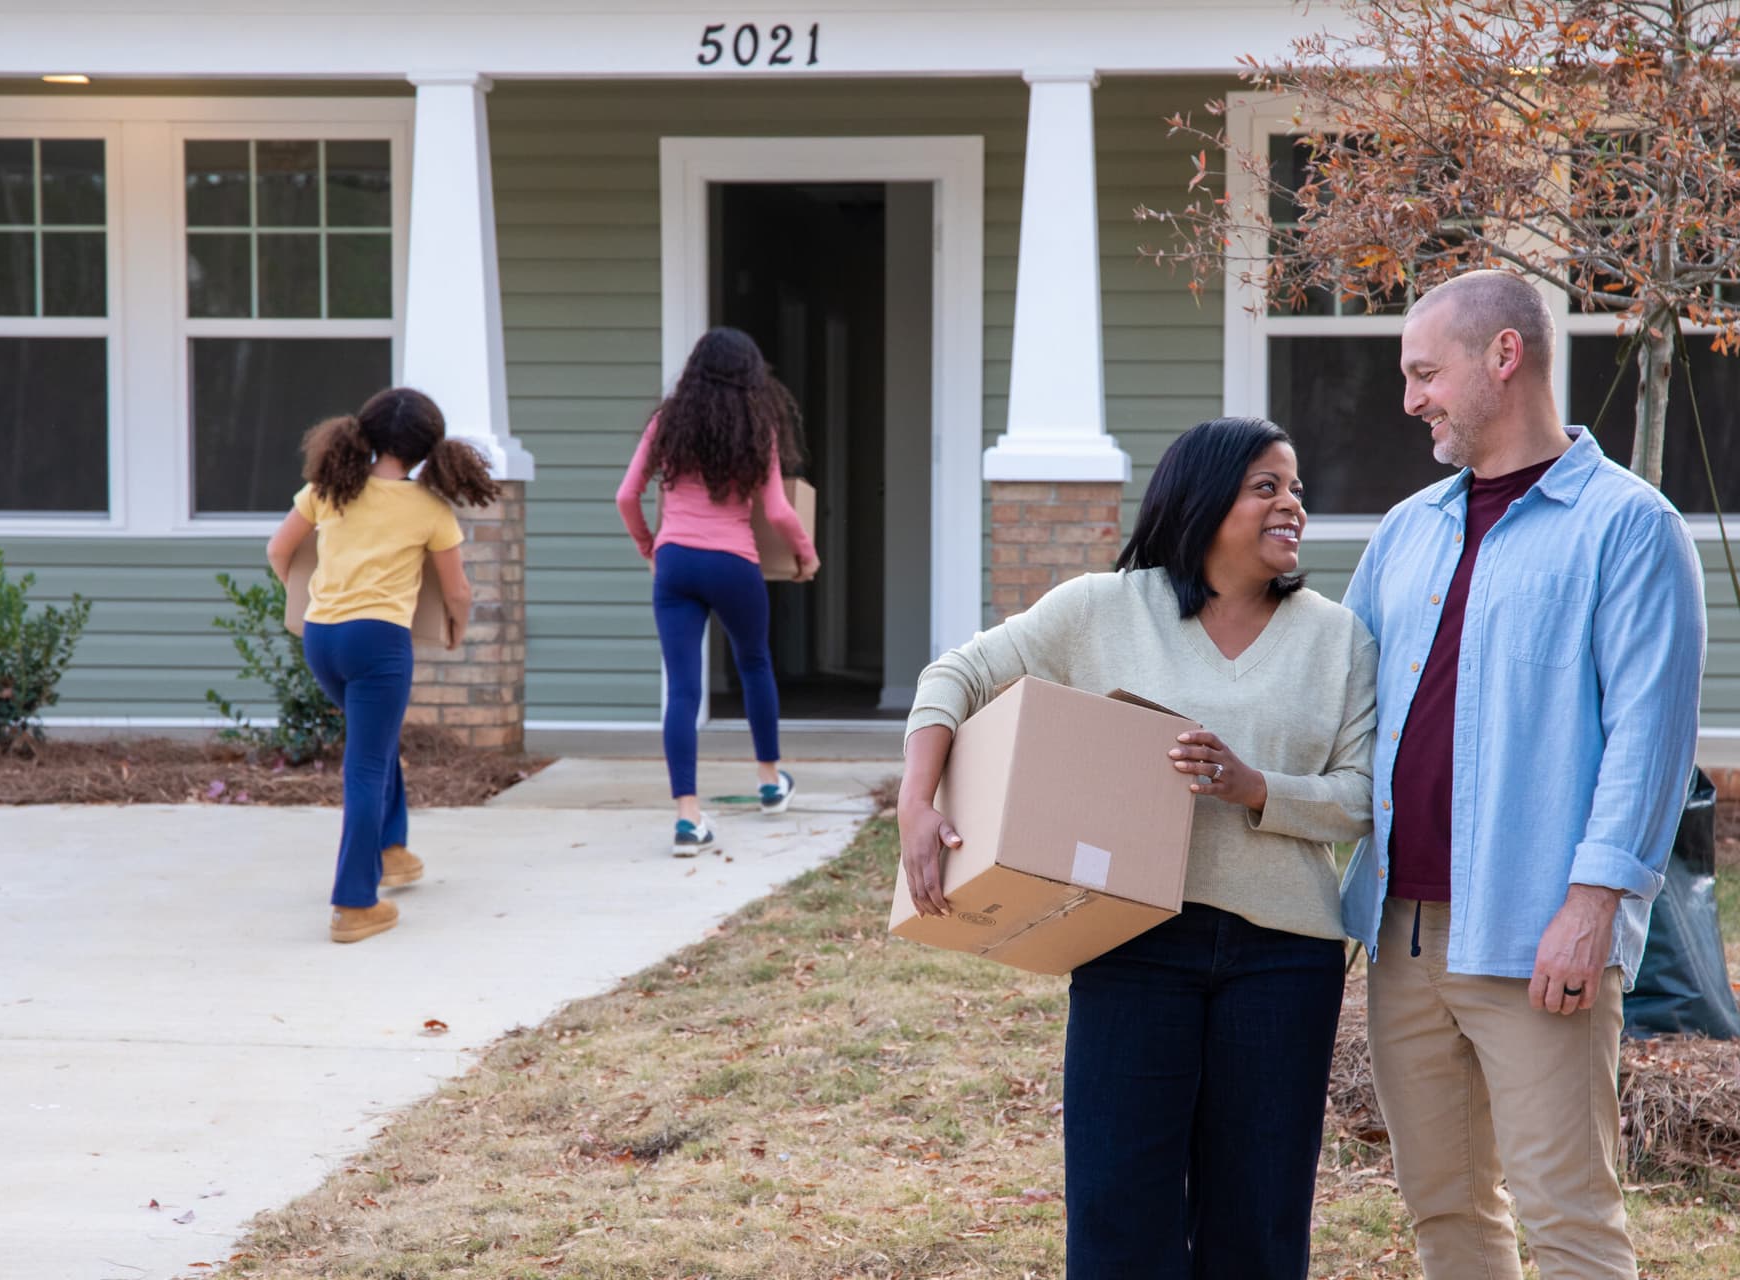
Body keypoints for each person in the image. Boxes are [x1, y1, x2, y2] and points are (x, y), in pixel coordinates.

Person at [901, 417, 1377, 1279]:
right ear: (1202, 501)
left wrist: (1256, 786)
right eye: (1266, 487)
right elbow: (955, 676)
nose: (1292, 506)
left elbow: (1360, 797)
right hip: (1131, 943)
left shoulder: (1336, 637)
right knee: (1120, 1209)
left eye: (1297, 488)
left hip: (1285, 956)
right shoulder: (1103, 610)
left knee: (1261, 1221)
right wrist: (915, 801)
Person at [1340, 269, 1707, 1278]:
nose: (1410, 398)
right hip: (1401, 933)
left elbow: (1650, 737)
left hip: (1537, 932)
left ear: (1503, 355)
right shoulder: (1407, 528)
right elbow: (1340, 701)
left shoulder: (1629, 527)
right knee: (1446, 1212)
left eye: (1425, 372)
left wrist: (1593, 906)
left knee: (1569, 1218)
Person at [267, 387, 499, 944]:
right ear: (426, 450)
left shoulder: (328, 489)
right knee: (366, 766)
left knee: (375, 741)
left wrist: (308, 599)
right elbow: (458, 592)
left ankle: (393, 851)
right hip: (379, 645)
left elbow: (278, 551)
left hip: (322, 640)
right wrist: (456, 631)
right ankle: (354, 904)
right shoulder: (428, 508)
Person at [616, 327, 819, 856]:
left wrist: (649, 546)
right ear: (751, 376)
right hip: (733, 563)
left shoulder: (666, 424)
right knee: (754, 664)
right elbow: (776, 511)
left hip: (676, 563)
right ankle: (771, 782)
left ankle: (687, 818)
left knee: (683, 690)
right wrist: (805, 552)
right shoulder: (758, 428)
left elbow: (626, 495)